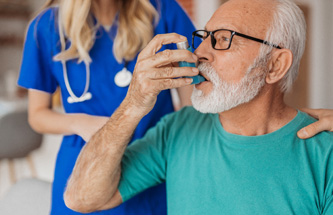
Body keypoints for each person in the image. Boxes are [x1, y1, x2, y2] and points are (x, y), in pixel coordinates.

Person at [64, 0, 333, 214]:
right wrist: (132, 106)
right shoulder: (178, 128)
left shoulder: (325, 156)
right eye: (204, 37)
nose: (200, 52)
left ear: (275, 65)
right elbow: (81, 199)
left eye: (223, 38)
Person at [17, 0, 196, 214]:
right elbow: (37, 115)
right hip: (84, 169)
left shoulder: (163, 12)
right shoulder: (45, 27)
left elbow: (192, 108)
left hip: (151, 166)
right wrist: (82, 123)